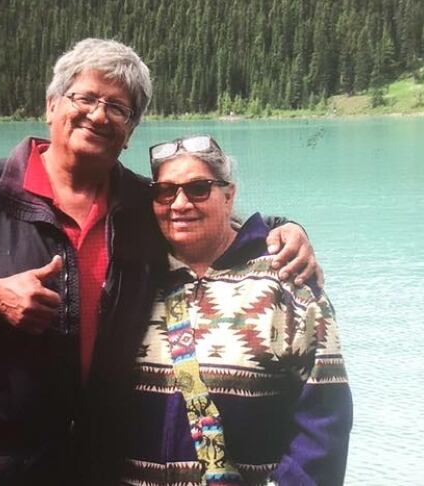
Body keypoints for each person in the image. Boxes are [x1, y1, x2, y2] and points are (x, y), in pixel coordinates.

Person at [0, 39, 321, 485]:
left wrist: (282, 229)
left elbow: (206, 224)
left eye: (119, 107)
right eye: (86, 97)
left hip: (96, 467)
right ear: (52, 106)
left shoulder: (139, 205)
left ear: (129, 131)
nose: (99, 114)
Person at [122, 135, 352, 486]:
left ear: (228, 195)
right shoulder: (133, 278)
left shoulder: (288, 283)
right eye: (165, 191)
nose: (179, 203)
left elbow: (323, 420)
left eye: (198, 189)